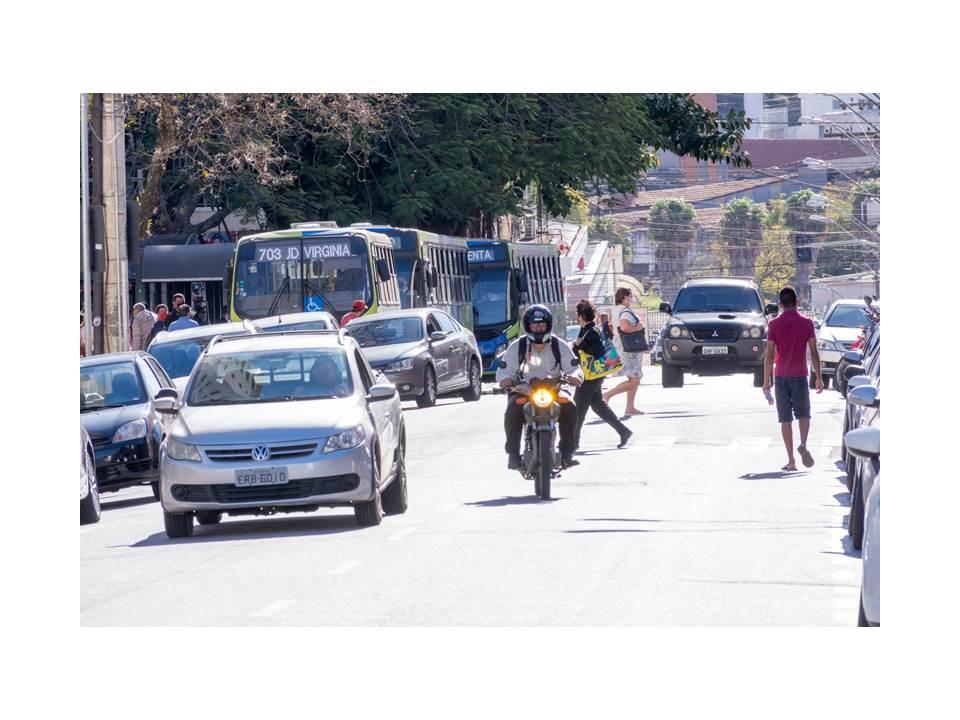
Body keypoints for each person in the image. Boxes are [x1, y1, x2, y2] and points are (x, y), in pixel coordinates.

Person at [496, 304, 582, 470]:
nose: (538, 328)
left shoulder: (559, 345)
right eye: (534, 325)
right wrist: (506, 380)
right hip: (525, 390)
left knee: (570, 406)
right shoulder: (517, 346)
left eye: (541, 325)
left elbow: (574, 367)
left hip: (554, 389)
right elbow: (504, 370)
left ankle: (567, 452)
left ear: (548, 325)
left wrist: (575, 376)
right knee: (513, 409)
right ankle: (513, 454)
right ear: (527, 326)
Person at [762, 286, 823, 471]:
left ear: (780, 305)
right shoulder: (807, 323)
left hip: (781, 376)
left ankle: (791, 460)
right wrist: (819, 377)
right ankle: (803, 443)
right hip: (800, 375)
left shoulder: (773, 324)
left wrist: (766, 381)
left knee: (785, 419)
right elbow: (814, 352)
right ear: (797, 303)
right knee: (804, 414)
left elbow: (770, 355)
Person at [571, 299, 632, 452]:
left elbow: (597, 352)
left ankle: (572, 442)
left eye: (577, 315)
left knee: (577, 409)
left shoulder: (591, 332)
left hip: (590, 376)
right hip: (592, 375)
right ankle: (623, 431)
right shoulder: (586, 330)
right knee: (598, 406)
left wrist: (579, 345)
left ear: (580, 316)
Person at [602, 287, 645, 416]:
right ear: (625, 297)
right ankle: (607, 395)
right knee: (635, 379)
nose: (631, 299)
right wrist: (638, 326)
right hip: (629, 347)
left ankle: (630, 407)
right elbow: (625, 327)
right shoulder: (625, 311)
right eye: (630, 296)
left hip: (621, 345)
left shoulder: (616, 310)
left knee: (633, 377)